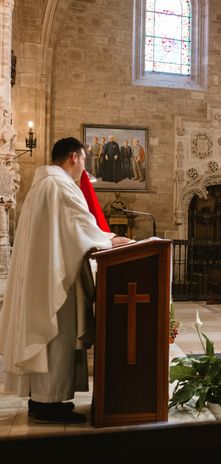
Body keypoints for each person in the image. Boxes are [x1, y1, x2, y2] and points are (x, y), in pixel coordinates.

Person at [0, 137, 130, 424]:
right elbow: (81, 226)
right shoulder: (60, 186)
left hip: (44, 274)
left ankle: (41, 401)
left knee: (50, 340)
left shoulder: (42, 185)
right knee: (56, 337)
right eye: (84, 160)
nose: (84, 167)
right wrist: (111, 240)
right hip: (53, 280)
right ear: (74, 156)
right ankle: (48, 404)